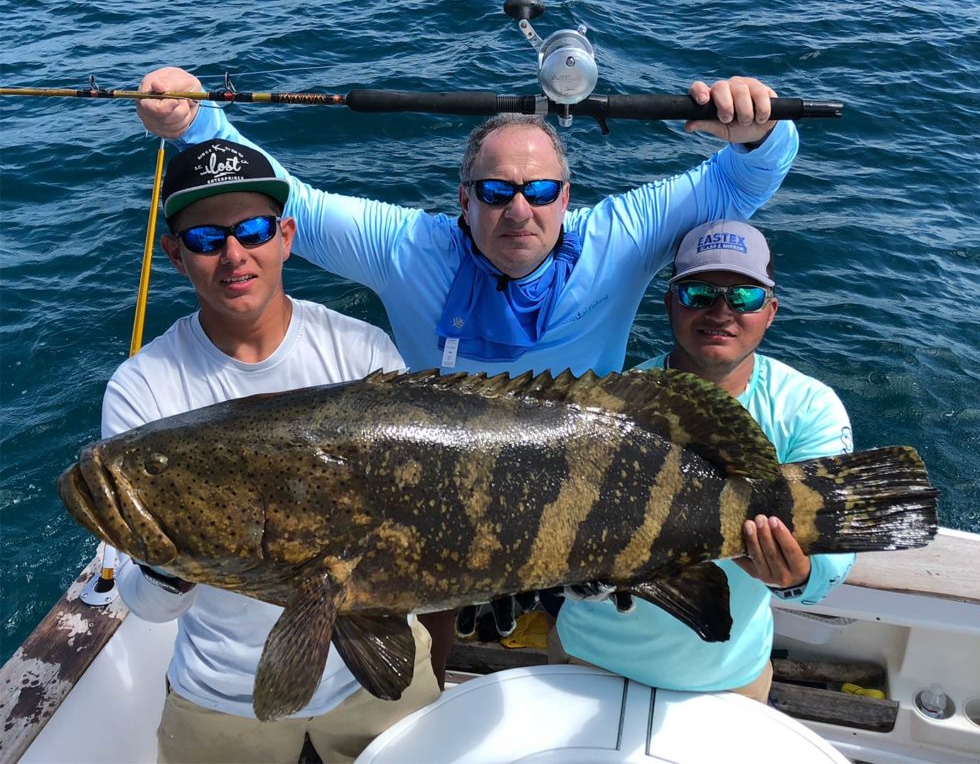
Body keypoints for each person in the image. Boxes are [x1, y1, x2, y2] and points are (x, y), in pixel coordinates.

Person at [135, 65, 800, 686]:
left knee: (582, 641)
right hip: (441, 508)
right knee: (426, 646)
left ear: (566, 198)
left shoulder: (617, 237)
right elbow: (293, 210)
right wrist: (198, 125)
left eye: (540, 192)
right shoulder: (410, 248)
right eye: (496, 192)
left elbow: (744, 181)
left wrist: (760, 128)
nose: (520, 210)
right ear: (464, 199)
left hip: (584, 492)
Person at [106, 139, 440, 763]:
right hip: (220, 696)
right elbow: (144, 605)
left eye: (253, 230)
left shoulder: (359, 354)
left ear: (285, 236)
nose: (234, 255)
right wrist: (168, 552)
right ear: (174, 253)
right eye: (206, 239)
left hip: (369, 671)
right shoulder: (142, 388)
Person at [549, 219, 856, 702]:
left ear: (771, 311)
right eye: (698, 294)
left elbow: (834, 557)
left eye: (745, 298)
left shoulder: (809, 408)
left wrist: (796, 578)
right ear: (670, 302)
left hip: (728, 683)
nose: (721, 312)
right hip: (587, 659)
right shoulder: (609, 405)